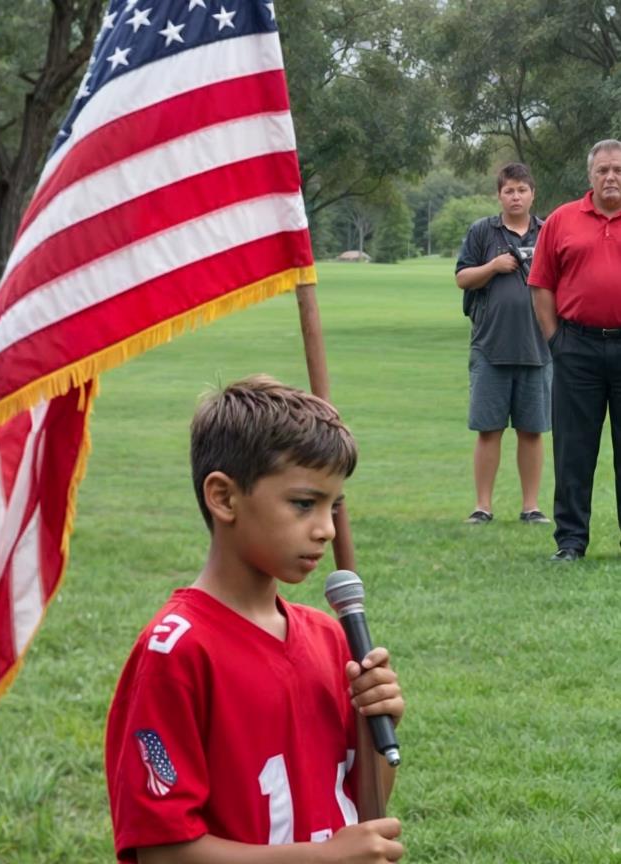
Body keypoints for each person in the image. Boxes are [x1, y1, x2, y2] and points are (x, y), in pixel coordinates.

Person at [105, 375, 405, 863]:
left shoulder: (331, 638)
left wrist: (377, 731)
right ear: (224, 497)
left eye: (335, 506)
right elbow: (163, 853)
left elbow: (363, 806)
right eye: (304, 504)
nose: (326, 529)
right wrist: (322, 858)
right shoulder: (177, 651)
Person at [529, 139, 621, 562]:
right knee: (573, 449)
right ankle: (570, 542)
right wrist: (556, 341)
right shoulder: (562, 220)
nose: (611, 177)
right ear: (590, 175)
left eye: (617, 169)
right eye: (603, 170)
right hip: (576, 348)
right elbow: (541, 284)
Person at [456, 162, 552, 525]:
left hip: (538, 348)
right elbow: (463, 278)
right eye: (509, 190)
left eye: (522, 190)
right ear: (499, 195)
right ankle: (483, 507)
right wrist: (493, 266)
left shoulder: (547, 232)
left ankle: (531, 507)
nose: (516, 196)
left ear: (532, 194)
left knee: (532, 431)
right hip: (490, 347)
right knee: (488, 429)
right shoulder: (483, 232)